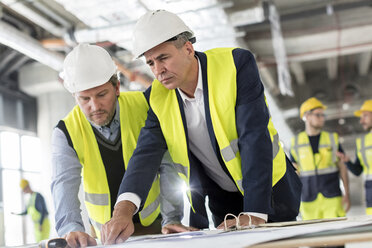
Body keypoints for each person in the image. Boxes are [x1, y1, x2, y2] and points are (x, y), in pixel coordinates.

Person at [101, 9, 302, 244]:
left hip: (269, 191)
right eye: (151, 63)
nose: (158, 70)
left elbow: (253, 137)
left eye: (163, 58)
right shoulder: (157, 97)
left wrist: (255, 213)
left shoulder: (236, 64)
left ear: (188, 48)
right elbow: (144, 156)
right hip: (224, 202)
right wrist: (122, 212)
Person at [51, 44, 192, 248]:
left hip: (153, 226)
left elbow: (167, 166)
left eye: (101, 95)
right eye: (85, 99)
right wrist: (71, 229)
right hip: (105, 235)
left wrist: (172, 218)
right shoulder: (66, 132)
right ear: (74, 96)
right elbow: (63, 184)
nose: (95, 106)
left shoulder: (145, 106)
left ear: (116, 88)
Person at [290, 97, 350, 220]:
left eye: (323, 115)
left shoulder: (332, 139)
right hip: (308, 200)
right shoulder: (295, 142)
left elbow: (342, 168)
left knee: (337, 236)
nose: (322, 118)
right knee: (312, 238)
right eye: (318, 115)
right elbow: (294, 174)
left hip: (332, 197)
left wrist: (347, 194)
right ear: (307, 116)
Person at [338, 99, 372, 215]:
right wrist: (347, 162)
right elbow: (358, 171)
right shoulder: (362, 142)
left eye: (365, 116)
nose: (361, 121)